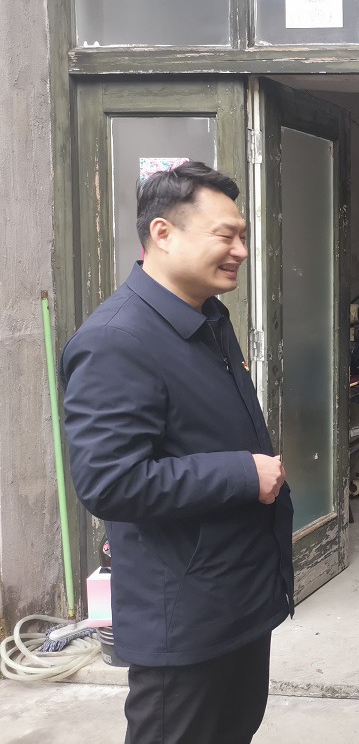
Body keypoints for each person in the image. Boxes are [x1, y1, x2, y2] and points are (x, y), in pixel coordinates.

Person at [61, 162, 294, 744]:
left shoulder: (207, 318)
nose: (241, 251)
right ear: (162, 234)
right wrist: (242, 474)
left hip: (235, 599)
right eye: (226, 236)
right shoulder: (117, 340)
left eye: (244, 236)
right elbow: (110, 481)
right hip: (184, 617)